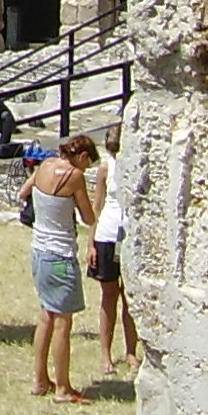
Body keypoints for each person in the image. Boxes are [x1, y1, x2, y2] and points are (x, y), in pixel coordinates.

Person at [20, 132, 100, 402]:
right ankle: (63, 388)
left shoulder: (44, 165)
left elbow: (24, 192)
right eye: (87, 163)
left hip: (39, 250)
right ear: (83, 156)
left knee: (46, 316)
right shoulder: (74, 177)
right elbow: (88, 217)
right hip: (60, 255)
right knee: (63, 323)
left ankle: (40, 380)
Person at [88, 126, 140, 373]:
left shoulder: (135, 166)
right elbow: (96, 207)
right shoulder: (105, 168)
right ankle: (105, 355)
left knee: (130, 297)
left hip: (128, 235)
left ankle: (131, 351)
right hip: (107, 235)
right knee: (109, 296)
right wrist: (91, 243)